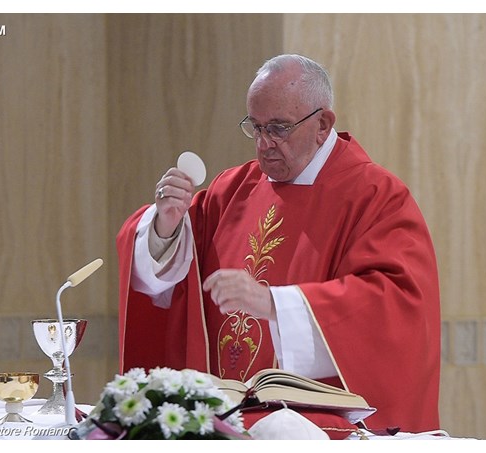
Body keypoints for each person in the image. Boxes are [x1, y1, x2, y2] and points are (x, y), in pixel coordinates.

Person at [116, 54, 441, 433]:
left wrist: (273, 304)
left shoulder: (375, 196)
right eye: (254, 127)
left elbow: (395, 303)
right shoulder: (232, 190)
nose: (263, 143)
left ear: (323, 123)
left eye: (279, 128)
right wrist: (166, 227)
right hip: (231, 420)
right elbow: (166, 277)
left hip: (322, 429)